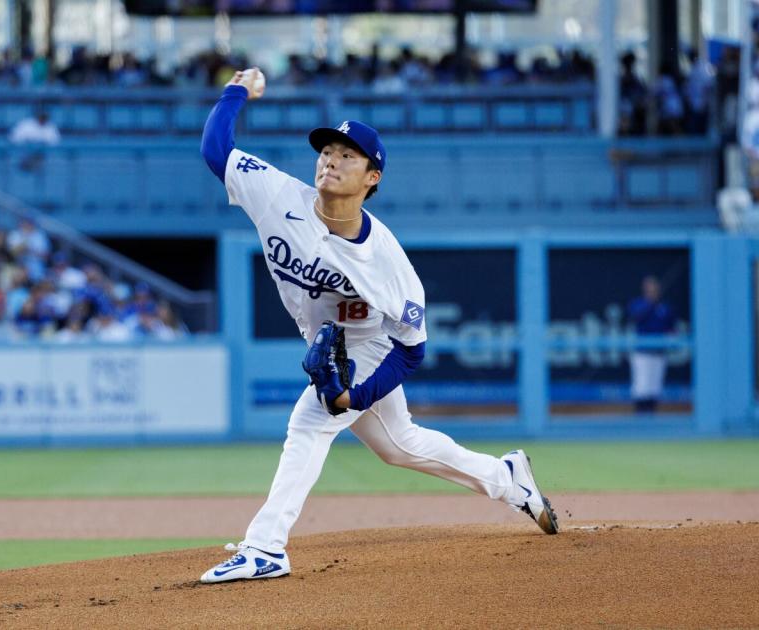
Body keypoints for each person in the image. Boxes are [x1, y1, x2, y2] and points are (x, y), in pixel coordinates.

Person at [197, 68, 559, 585]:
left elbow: (413, 351)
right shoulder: (278, 196)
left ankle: (265, 546)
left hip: (368, 343)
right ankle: (506, 478)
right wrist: (238, 90)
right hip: (327, 337)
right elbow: (217, 149)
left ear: (373, 178)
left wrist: (358, 395)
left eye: (348, 155)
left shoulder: (387, 263)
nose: (331, 160)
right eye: (327, 151)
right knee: (399, 445)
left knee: (310, 423)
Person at [627, 276, 677, 413]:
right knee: (642, 386)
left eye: (654, 288)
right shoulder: (638, 304)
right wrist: (650, 303)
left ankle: (652, 417)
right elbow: (636, 316)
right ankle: (640, 417)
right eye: (649, 289)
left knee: (655, 387)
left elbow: (672, 327)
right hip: (642, 353)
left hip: (659, 352)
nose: (652, 291)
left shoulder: (664, 307)